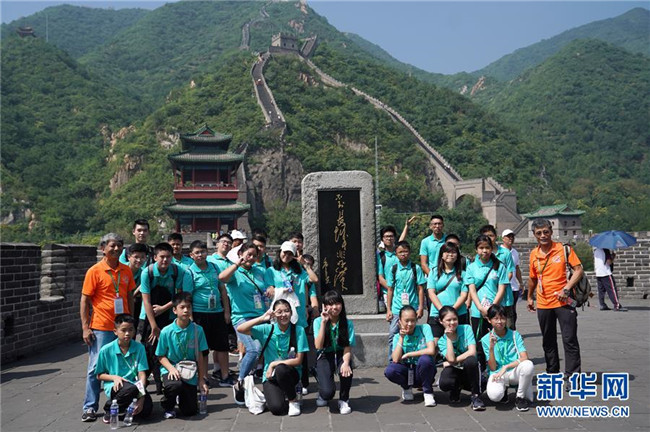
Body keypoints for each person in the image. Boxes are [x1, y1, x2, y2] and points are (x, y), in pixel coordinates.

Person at [80, 233, 136, 422]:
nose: (116, 249)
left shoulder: (126, 270)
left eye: (119, 245)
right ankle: (90, 406)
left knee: (122, 365)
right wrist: (85, 327)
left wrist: (131, 320)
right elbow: (85, 300)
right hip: (101, 326)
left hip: (123, 327)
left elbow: (129, 296)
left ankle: (117, 404)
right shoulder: (95, 271)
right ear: (102, 248)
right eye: (112, 245)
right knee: (96, 367)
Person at [527, 219, 583, 384]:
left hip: (564, 302)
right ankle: (552, 373)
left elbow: (578, 270)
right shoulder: (534, 254)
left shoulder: (563, 249)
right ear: (534, 235)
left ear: (551, 232)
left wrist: (566, 288)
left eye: (546, 232)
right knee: (548, 340)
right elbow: (533, 278)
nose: (543, 235)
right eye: (539, 233)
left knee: (569, 339)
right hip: (544, 303)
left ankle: (573, 376)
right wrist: (529, 297)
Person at [237, 299, 309, 416]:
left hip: (291, 373)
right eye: (279, 312)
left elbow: (298, 360)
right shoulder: (267, 329)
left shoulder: (298, 330)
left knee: (281, 369)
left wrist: (273, 364)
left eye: (286, 311)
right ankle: (281, 392)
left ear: (291, 312)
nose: (283, 315)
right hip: (270, 375)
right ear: (274, 314)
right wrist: (262, 318)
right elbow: (241, 329)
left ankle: (293, 400)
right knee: (276, 408)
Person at [219, 242, 270, 405]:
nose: (251, 258)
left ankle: (251, 374)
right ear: (241, 254)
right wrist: (236, 264)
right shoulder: (235, 272)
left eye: (254, 255)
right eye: (248, 254)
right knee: (253, 349)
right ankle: (239, 381)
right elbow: (222, 278)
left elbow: (268, 287)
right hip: (242, 317)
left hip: (261, 316)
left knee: (261, 349)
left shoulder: (260, 271)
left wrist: (271, 290)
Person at [265, 241, 318, 393]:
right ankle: (282, 379)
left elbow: (314, 280)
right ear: (280, 252)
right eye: (284, 252)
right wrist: (277, 289)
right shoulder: (271, 271)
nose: (286, 256)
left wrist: (305, 265)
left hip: (298, 315)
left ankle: (303, 382)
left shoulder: (300, 271)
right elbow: (269, 290)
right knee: (281, 348)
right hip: (280, 316)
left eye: (290, 254)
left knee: (300, 348)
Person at [139, 242, 187, 394]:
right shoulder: (147, 273)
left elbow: (178, 296)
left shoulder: (177, 271)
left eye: (168, 257)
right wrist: (154, 326)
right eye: (162, 257)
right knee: (149, 350)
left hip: (168, 315)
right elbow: (146, 300)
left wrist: (163, 308)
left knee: (168, 349)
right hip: (148, 316)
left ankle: (169, 382)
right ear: (155, 257)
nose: (165, 260)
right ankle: (144, 385)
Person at [183, 240, 232, 387]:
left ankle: (225, 375)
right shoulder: (189, 272)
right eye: (197, 253)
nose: (200, 255)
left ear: (207, 253)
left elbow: (222, 290)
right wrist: (191, 319)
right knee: (202, 348)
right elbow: (187, 298)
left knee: (222, 346)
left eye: (203, 252)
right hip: (199, 314)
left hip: (217, 312)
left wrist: (226, 312)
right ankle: (203, 377)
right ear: (191, 255)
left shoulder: (215, 267)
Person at [155, 292, 209, 419]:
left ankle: (182, 397)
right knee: (174, 385)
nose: (186, 310)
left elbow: (201, 356)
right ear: (174, 310)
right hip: (171, 369)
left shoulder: (198, 330)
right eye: (182, 307)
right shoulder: (166, 331)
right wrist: (171, 369)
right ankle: (168, 405)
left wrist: (201, 379)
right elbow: (160, 356)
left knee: (190, 411)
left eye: (188, 307)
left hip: (189, 370)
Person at [95, 313, 153, 423]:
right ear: (115, 331)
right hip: (116, 386)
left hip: (135, 386)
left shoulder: (139, 348)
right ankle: (109, 409)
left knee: (146, 410)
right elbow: (99, 375)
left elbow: (142, 374)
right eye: (123, 330)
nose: (127, 333)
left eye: (131, 330)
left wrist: (142, 397)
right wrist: (114, 377)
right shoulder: (106, 350)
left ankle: (122, 409)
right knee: (130, 389)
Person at [481, 305, 534, 411]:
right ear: (489, 320)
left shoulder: (515, 335)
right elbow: (492, 368)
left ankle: (520, 397)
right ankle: (503, 389)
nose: (500, 321)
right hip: (498, 374)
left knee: (528, 365)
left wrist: (506, 367)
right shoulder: (485, 339)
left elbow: (525, 357)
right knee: (495, 396)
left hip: (514, 371)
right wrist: (491, 348)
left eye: (502, 318)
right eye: (496, 318)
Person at [384, 306, 437, 407]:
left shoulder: (425, 328)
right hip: (407, 370)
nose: (410, 324)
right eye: (406, 321)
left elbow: (431, 350)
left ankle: (428, 392)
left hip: (422, 370)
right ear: (400, 321)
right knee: (390, 370)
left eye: (413, 320)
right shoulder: (397, 337)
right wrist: (401, 338)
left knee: (425, 359)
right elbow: (395, 359)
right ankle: (406, 387)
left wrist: (409, 354)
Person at [313, 290, 355, 414]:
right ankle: (322, 392)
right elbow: (318, 346)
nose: (334, 307)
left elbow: (347, 347)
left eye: (337, 303)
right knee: (327, 393)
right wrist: (323, 322)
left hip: (342, 353)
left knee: (347, 371)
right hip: (325, 354)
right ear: (324, 306)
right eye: (330, 304)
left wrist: (346, 363)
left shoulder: (347, 323)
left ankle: (344, 399)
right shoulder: (317, 322)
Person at [436, 306, 484, 410]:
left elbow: (472, 352)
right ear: (441, 321)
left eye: (454, 319)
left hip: (470, 368)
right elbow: (451, 358)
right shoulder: (442, 341)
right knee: (444, 383)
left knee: (471, 361)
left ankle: (475, 396)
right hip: (455, 369)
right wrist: (449, 338)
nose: (452, 323)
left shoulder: (466, 328)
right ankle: (456, 388)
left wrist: (452, 362)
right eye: (448, 320)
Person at [466, 235, 509, 345]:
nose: (484, 251)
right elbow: (472, 291)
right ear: (476, 249)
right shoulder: (471, 267)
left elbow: (501, 289)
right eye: (481, 248)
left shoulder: (499, 266)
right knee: (480, 342)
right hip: (478, 312)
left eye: (487, 247)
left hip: (496, 312)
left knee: (498, 341)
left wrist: (492, 308)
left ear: (491, 248)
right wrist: (480, 308)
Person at [385, 241, 426, 355]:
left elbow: (420, 289)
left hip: (412, 307)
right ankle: (393, 359)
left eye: (406, 251)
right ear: (396, 254)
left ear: (410, 252)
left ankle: (411, 357)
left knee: (412, 333)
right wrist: (388, 309)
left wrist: (421, 307)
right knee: (393, 334)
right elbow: (390, 290)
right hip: (397, 308)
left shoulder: (415, 268)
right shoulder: (393, 269)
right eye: (400, 252)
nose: (403, 254)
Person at [427, 242, 469, 342]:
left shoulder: (463, 274)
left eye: (453, 252)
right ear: (441, 255)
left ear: (457, 256)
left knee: (459, 343)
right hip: (437, 313)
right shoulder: (434, 272)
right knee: (435, 344)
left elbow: (463, 295)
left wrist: (452, 312)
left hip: (458, 314)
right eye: (447, 252)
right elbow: (431, 293)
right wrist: (443, 311)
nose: (450, 254)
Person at [479, 225, 515, 329]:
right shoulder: (481, 254)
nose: (489, 238)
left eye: (491, 235)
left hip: (505, 297)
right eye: (486, 236)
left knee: (507, 326)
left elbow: (510, 272)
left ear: (496, 236)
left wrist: (500, 286)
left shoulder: (505, 253)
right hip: (487, 297)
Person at [501, 229, 526, 329]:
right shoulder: (499, 252)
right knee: (503, 310)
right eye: (508, 236)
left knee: (512, 311)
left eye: (512, 236)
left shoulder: (514, 252)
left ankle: (511, 330)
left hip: (513, 287)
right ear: (503, 238)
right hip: (502, 286)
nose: (511, 238)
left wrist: (521, 283)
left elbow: (517, 268)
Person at [594, 247, 627, 311]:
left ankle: (602, 305)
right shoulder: (606, 250)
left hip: (598, 273)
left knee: (601, 291)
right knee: (612, 290)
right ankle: (617, 305)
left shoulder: (596, 250)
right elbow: (609, 262)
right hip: (606, 272)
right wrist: (613, 256)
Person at [126, 243, 148, 331]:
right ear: (129, 257)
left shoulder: (144, 273)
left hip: (135, 306)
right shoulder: (121, 270)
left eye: (142, 257)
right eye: (136, 257)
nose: (139, 260)